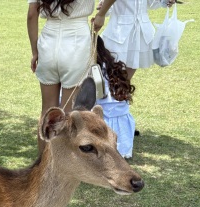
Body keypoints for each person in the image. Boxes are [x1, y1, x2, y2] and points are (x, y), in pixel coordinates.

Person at [27, 0, 95, 151]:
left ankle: (43, 160)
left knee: (47, 110)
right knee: (68, 113)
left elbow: (32, 14)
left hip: (48, 41)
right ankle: (60, 163)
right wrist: (102, 14)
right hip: (77, 39)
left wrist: (34, 52)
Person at [92, 0, 176, 81]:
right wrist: (102, 11)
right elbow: (106, 7)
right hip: (118, 34)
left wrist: (164, 1)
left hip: (140, 34)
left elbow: (151, 3)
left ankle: (123, 89)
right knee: (111, 76)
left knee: (125, 81)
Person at [95, 36, 136, 158]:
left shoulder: (94, 71)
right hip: (123, 127)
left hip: (105, 122)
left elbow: (96, 97)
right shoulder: (113, 67)